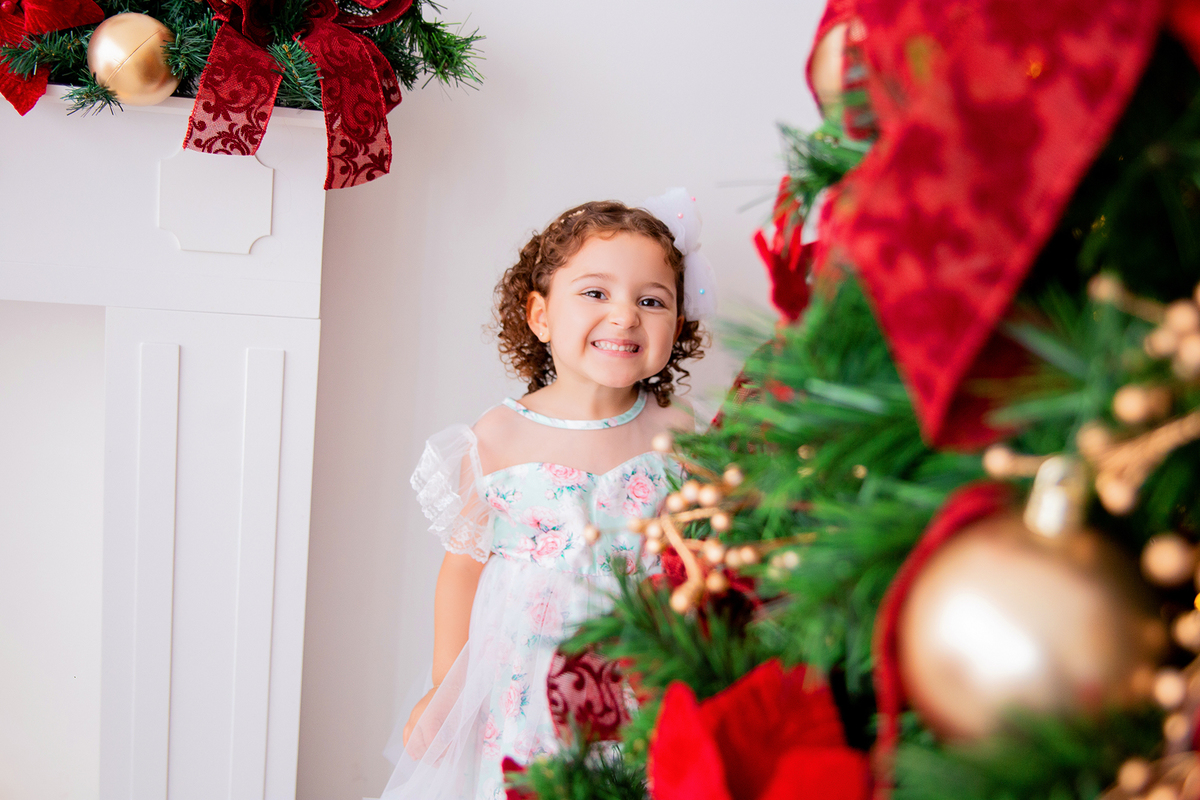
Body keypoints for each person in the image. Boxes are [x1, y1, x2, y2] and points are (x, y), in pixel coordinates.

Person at [379, 190, 713, 800]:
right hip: (526, 681)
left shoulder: (680, 430)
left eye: (651, 300)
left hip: (640, 672)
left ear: (679, 322)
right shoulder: (498, 437)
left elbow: (700, 554)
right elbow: (462, 570)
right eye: (595, 293)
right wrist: (443, 688)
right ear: (540, 316)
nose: (624, 316)